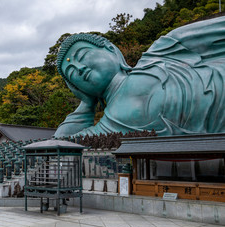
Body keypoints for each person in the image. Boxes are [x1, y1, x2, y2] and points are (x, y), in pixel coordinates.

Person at [54, 16, 225, 138]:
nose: (79, 68)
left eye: (83, 56)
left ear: (111, 49)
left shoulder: (161, 53)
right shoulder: (111, 123)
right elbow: (63, 142)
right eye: (71, 73)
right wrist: (86, 103)